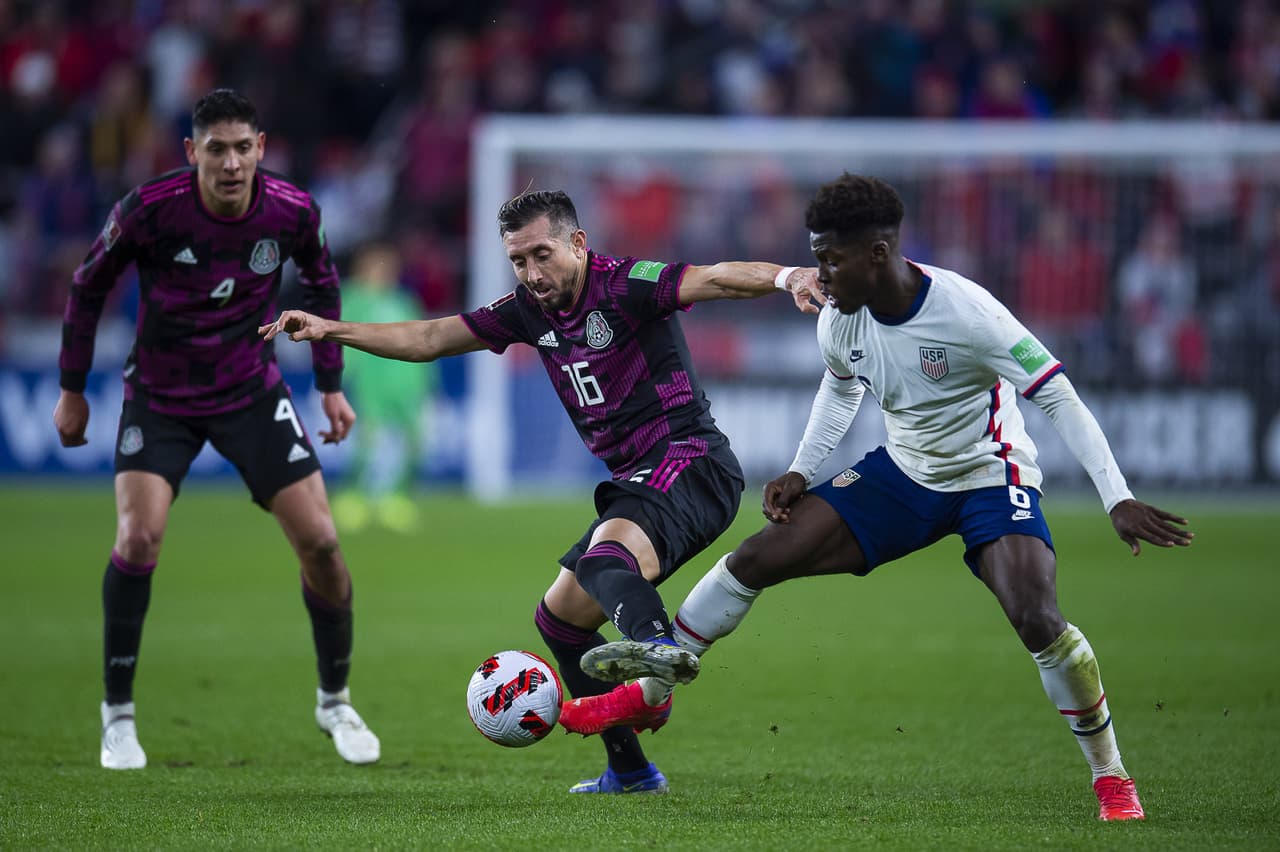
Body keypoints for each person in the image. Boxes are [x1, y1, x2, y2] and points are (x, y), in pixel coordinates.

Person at [564, 174, 1194, 821]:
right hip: (902, 475)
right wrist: (803, 471)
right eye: (817, 253)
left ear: (880, 251)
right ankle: (655, 686)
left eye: (833, 257)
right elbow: (841, 389)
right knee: (756, 557)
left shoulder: (967, 312)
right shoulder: (838, 315)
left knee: (1035, 615)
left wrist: (1115, 496)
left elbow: (1055, 392)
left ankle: (1111, 776)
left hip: (988, 475)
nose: (821, 271)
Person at [259, 189, 819, 794]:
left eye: (542, 254)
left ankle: (657, 654)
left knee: (608, 559)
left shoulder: (627, 283)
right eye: (519, 261)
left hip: (691, 460)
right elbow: (427, 340)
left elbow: (716, 279)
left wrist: (787, 276)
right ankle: (631, 771)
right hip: (640, 477)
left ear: (578, 243)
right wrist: (328, 329)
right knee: (560, 621)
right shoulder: (527, 309)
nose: (532, 273)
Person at [54, 88, 380, 770]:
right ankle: (118, 716)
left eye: (242, 148)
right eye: (215, 150)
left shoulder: (292, 211)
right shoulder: (149, 210)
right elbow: (88, 285)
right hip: (162, 395)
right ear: (191, 152)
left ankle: (336, 699)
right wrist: (71, 389)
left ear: (260, 148)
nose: (230, 163)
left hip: (249, 391)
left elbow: (322, 288)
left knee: (321, 541)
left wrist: (328, 384)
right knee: (138, 538)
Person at [331, 241, 435, 533]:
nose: (384, 273)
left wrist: (429, 380)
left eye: (389, 267)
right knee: (367, 441)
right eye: (378, 266)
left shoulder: (404, 301)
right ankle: (354, 498)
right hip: (370, 386)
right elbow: (341, 340)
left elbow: (426, 338)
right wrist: (339, 378)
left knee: (415, 442)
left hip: (407, 385)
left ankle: (397, 498)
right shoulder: (352, 300)